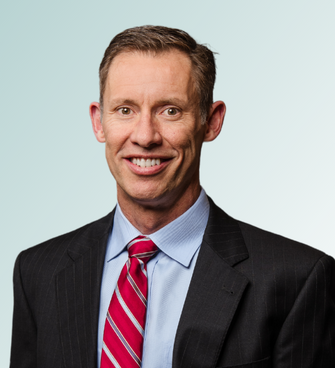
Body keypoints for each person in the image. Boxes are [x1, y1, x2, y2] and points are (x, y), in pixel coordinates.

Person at [10, 25, 335, 368]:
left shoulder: (297, 279)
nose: (145, 136)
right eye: (125, 110)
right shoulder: (37, 273)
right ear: (98, 122)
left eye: (170, 111)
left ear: (211, 121)